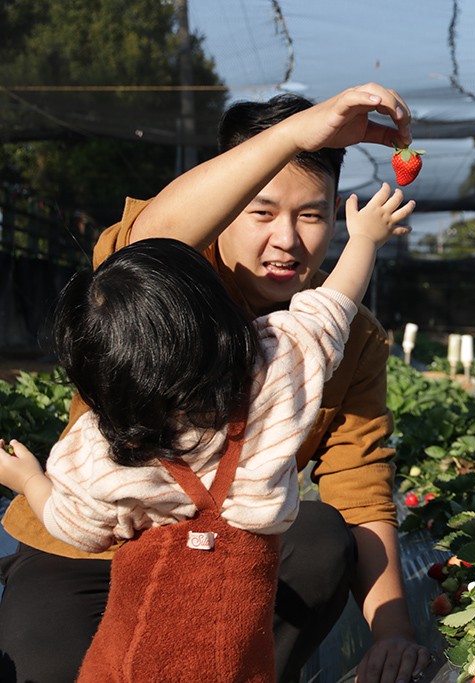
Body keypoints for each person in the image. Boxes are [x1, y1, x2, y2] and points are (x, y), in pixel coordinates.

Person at [0, 84, 431, 683]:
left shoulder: (349, 337)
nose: (286, 239)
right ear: (226, 204)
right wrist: (294, 134)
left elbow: (359, 487)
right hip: (87, 549)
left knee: (320, 536)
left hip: (223, 564)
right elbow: (151, 239)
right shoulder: (158, 288)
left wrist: (392, 634)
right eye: (261, 211)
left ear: (335, 215)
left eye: (310, 215)